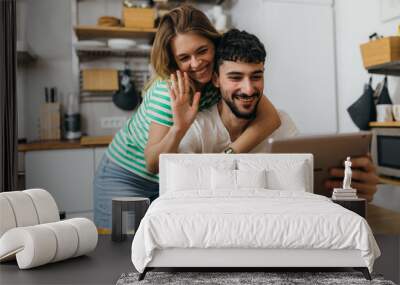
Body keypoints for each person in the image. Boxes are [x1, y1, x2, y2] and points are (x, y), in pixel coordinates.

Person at [93, 5, 282, 230]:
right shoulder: (169, 92)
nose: (196, 63)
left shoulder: (219, 77)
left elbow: (271, 118)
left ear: (214, 43)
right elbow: (152, 163)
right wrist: (179, 127)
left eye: (202, 51)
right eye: (184, 57)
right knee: (124, 248)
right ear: (174, 60)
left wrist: (227, 156)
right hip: (126, 176)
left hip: (168, 182)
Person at [178, 29, 379, 202]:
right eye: (235, 77)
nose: (248, 89)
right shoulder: (197, 129)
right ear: (215, 79)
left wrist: (352, 189)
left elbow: (306, 188)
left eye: (256, 76)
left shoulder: (282, 123)